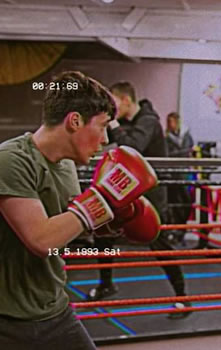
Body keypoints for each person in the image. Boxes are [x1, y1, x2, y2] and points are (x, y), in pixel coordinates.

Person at [0, 71, 159, 349]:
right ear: (75, 121)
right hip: (7, 319)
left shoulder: (67, 166)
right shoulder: (10, 161)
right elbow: (42, 240)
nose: (104, 139)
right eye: (102, 126)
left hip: (54, 310)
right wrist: (103, 197)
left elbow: (73, 225)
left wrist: (122, 217)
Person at [88, 81, 191, 319]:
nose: (112, 110)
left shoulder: (149, 121)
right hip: (126, 191)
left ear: (125, 100)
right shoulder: (128, 123)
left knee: (160, 244)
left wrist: (112, 122)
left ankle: (183, 298)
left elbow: (133, 146)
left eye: (114, 103)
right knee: (103, 233)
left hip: (151, 195)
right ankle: (106, 284)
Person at [165, 112, 194, 243]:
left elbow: (189, 150)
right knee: (173, 203)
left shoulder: (187, 136)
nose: (169, 125)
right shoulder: (166, 137)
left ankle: (181, 229)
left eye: (171, 122)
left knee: (187, 202)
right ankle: (175, 230)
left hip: (184, 172)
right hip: (172, 173)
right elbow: (168, 154)